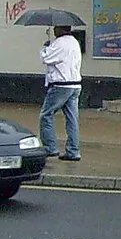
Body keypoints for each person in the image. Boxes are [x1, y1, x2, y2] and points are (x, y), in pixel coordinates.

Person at [38, 24, 83, 160]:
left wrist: (45, 47)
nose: (53, 30)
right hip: (75, 85)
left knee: (46, 115)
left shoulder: (60, 43)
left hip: (61, 85)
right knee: (72, 119)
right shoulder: (74, 42)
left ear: (61, 29)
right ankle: (73, 151)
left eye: (55, 28)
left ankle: (50, 148)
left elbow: (46, 59)